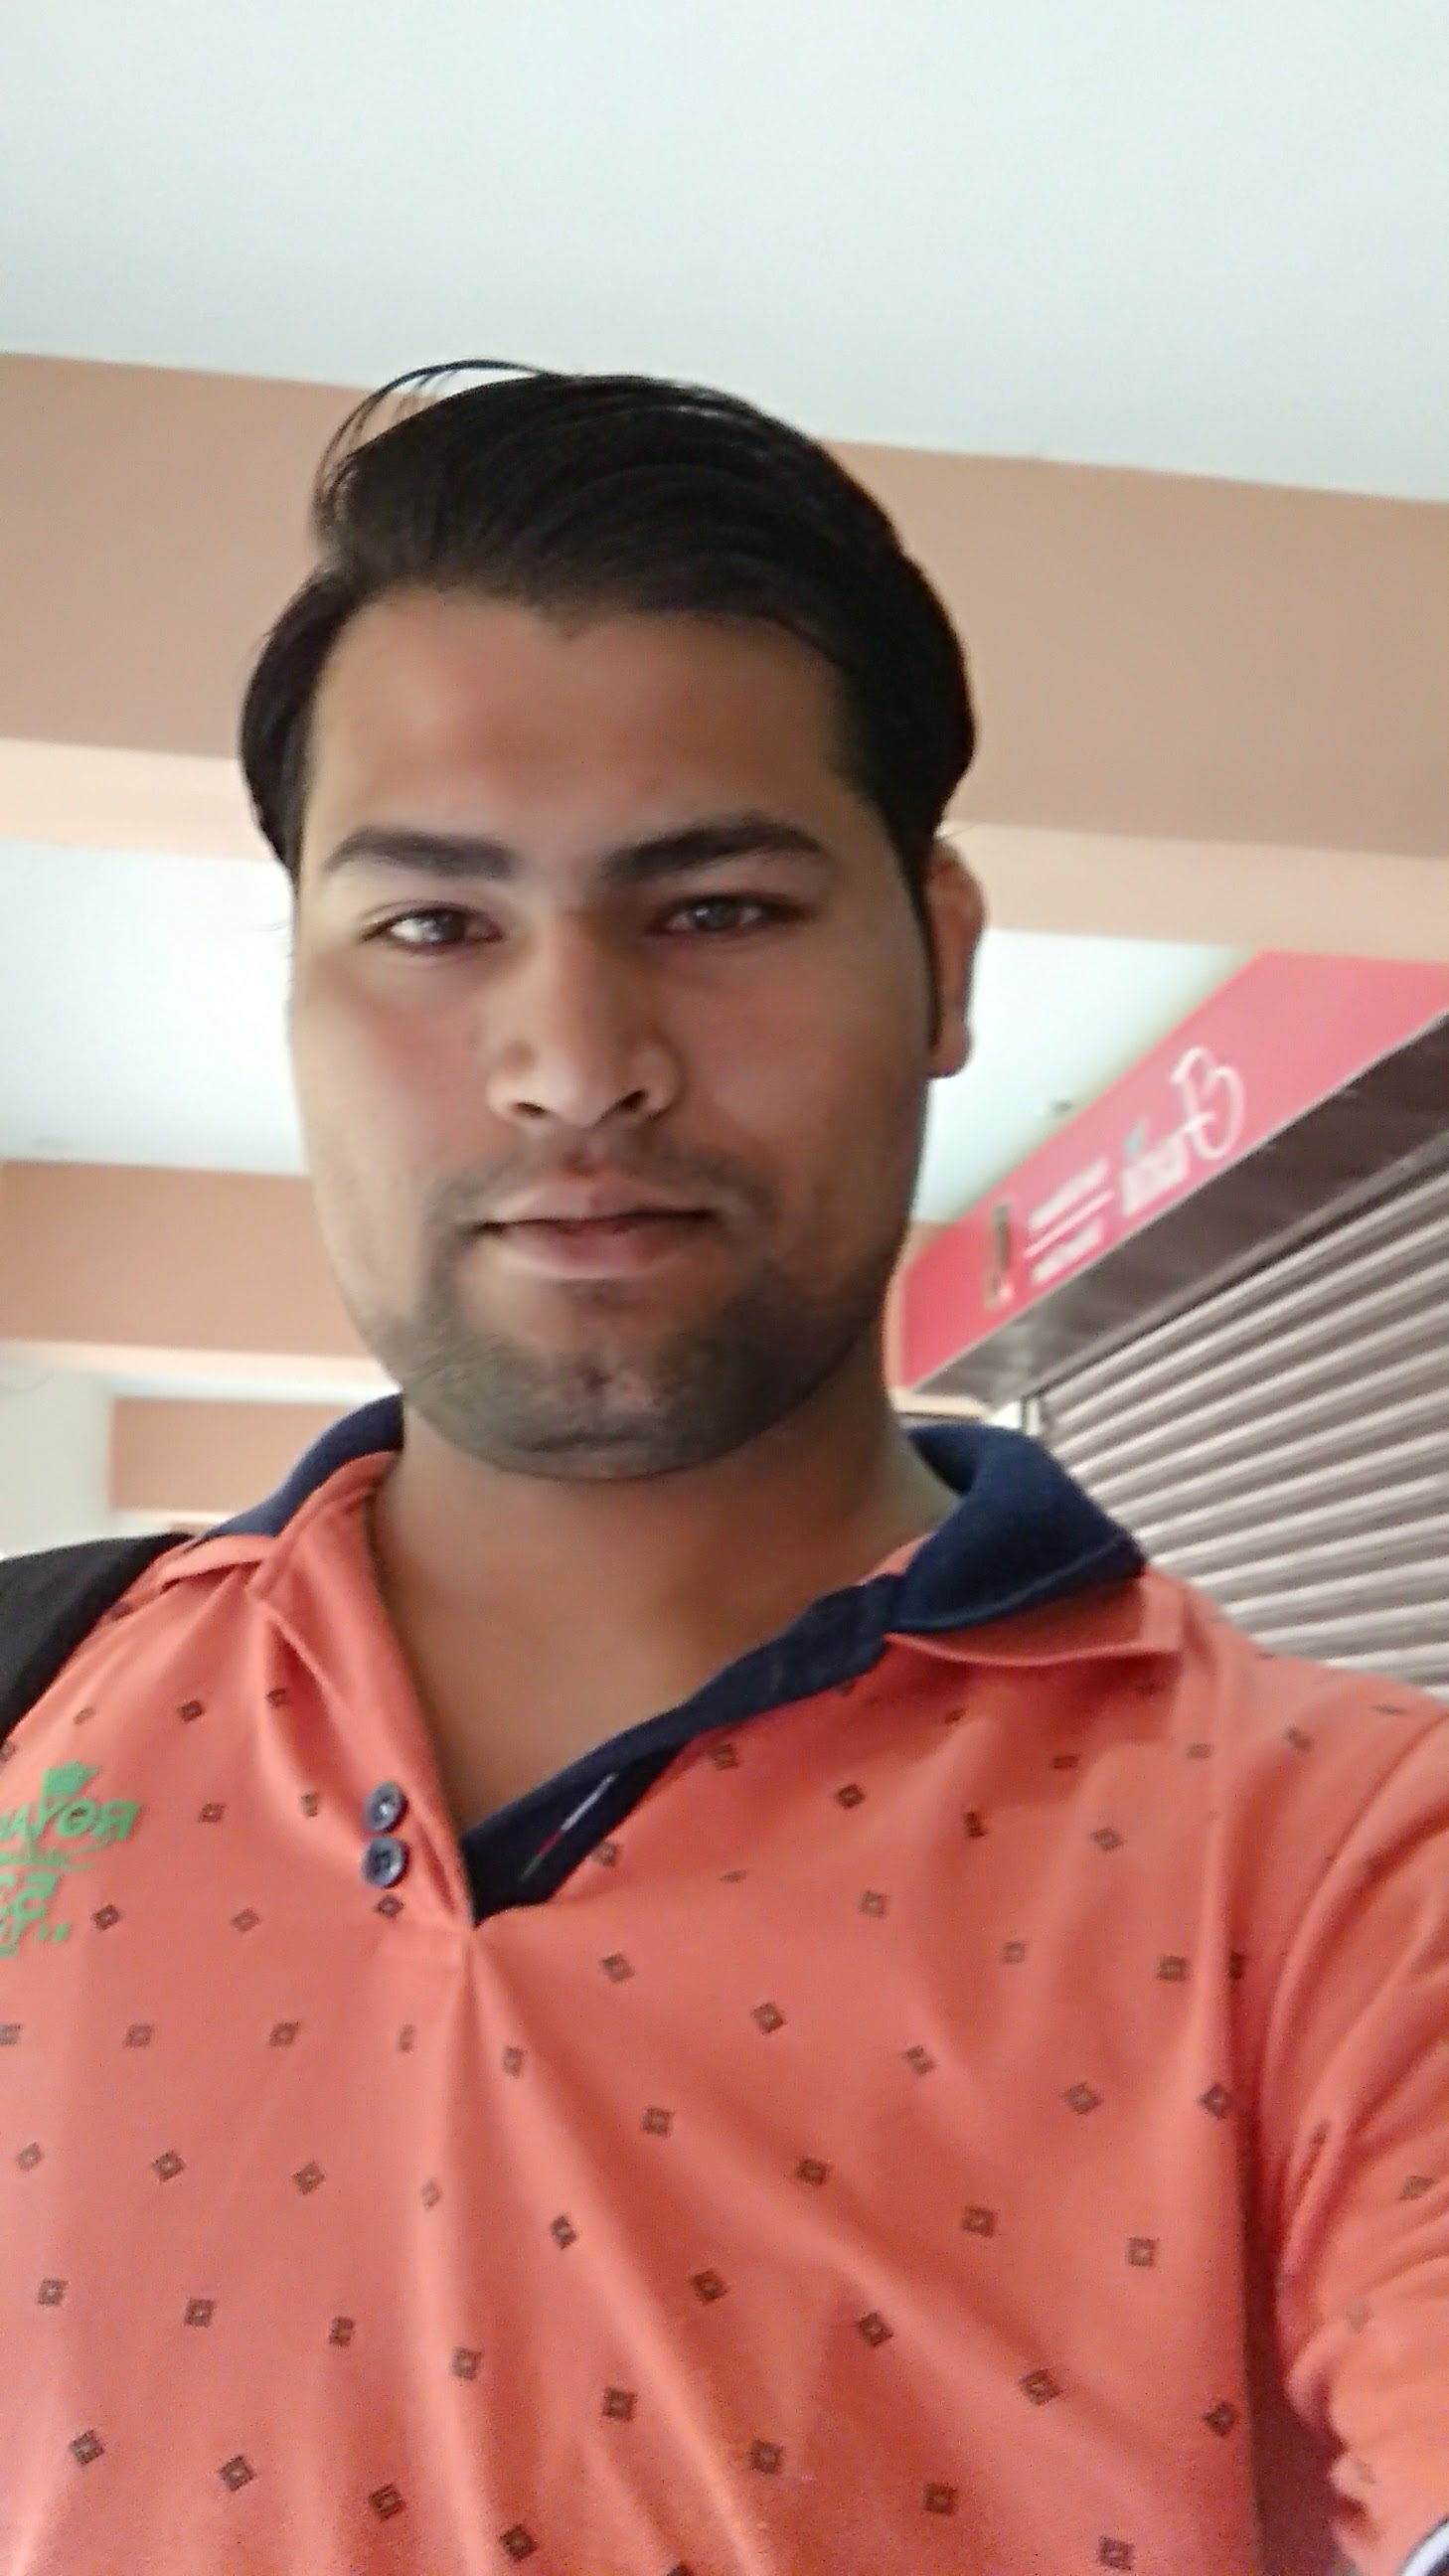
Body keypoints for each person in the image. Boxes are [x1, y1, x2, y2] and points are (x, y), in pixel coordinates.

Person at [1, 363, 1444, 2576]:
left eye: (719, 909)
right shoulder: (35, 1702)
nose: (577, 1062)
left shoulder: (1350, 1874)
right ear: (293, 1000)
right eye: (432, 926)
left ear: (939, 961)